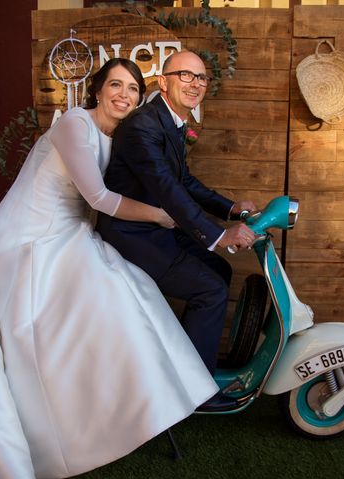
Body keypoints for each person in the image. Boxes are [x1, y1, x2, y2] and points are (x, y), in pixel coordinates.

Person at [0, 58, 219, 479]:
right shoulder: (75, 124)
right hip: (31, 236)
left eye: (132, 88)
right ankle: (55, 424)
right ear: (97, 90)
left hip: (71, 232)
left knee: (130, 290)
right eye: (115, 85)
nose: (124, 95)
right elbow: (98, 198)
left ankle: (120, 409)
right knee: (85, 303)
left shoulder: (119, 135)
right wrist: (164, 216)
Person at [96, 51, 257, 412]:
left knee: (220, 270)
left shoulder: (170, 121)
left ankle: (184, 362)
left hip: (158, 229)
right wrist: (219, 236)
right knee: (211, 289)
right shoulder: (142, 127)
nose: (196, 83)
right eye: (186, 75)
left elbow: (184, 180)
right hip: (132, 236)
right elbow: (168, 189)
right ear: (163, 82)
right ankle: (193, 391)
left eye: (201, 77)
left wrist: (230, 208)